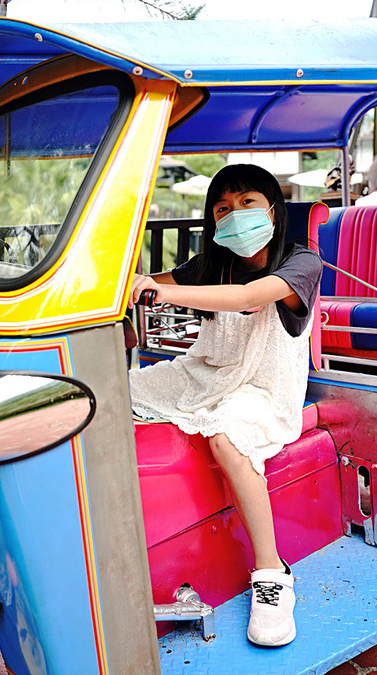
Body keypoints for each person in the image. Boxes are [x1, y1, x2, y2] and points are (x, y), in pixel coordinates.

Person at [127, 163, 322, 648]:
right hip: (205, 372)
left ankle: (272, 573)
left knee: (227, 437)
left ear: (273, 209)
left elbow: (250, 296)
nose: (235, 214)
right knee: (116, 391)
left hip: (263, 390)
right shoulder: (213, 263)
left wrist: (161, 290)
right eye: (223, 208)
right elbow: (149, 277)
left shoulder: (301, 263)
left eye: (247, 203)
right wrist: (127, 281)